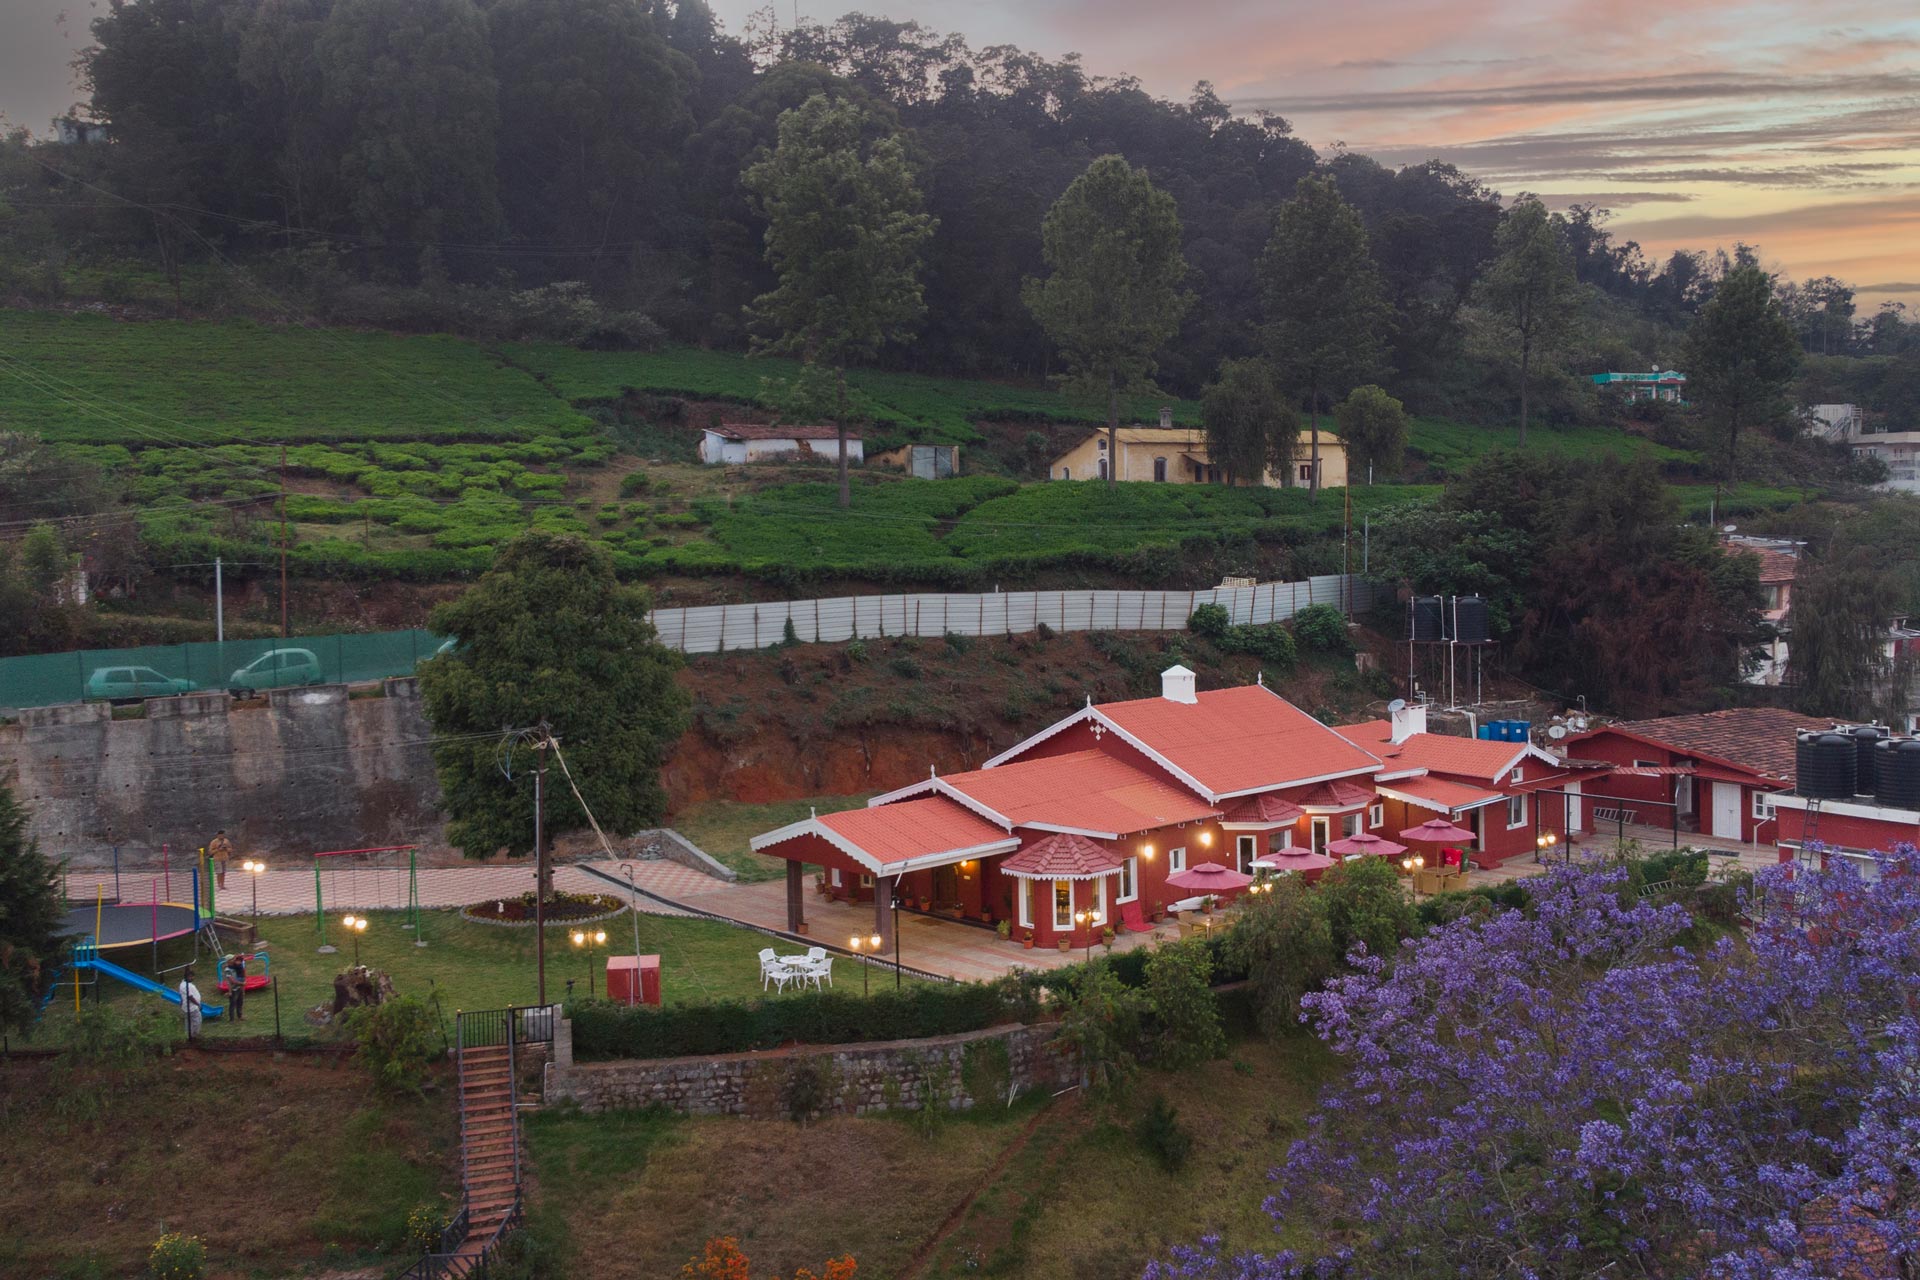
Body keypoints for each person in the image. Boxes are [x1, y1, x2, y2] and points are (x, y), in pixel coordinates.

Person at [178, 967, 203, 1040]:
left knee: (189, 1021)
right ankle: (194, 1035)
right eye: (191, 977)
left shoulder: (182, 984)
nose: (192, 978)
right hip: (191, 1007)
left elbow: (182, 995)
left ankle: (188, 1034)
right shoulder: (186, 986)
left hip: (187, 1007)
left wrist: (181, 1001)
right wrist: (198, 1004)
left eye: (193, 976)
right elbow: (190, 997)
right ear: (187, 977)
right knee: (197, 1020)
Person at [225, 952, 247, 1022]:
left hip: (239, 987)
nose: (234, 959)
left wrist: (242, 987)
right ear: (229, 961)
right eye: (232, 959)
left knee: (240, 1002)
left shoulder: (235, 966)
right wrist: (242, 983)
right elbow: (232, 981)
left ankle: (240, 1016)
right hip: (233, 989)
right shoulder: (227, 970)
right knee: (232, 1004)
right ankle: (231, 1019)